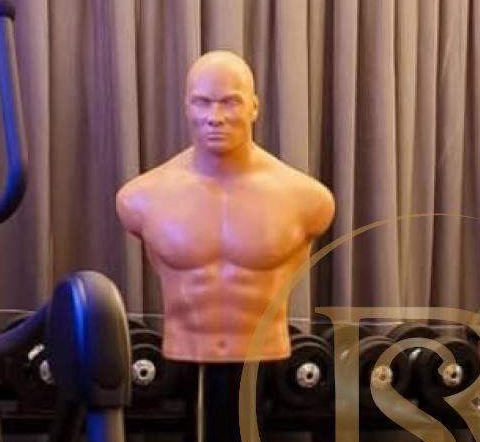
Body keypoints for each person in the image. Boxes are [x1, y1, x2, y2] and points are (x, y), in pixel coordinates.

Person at [115, 50, 336, 364]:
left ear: (254, 107)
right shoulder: (140, 197)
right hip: (182, 361)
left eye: (230, 102)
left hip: (267, 364)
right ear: (186, 106)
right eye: (202, 102)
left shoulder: (307, 199)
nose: (214, 117)